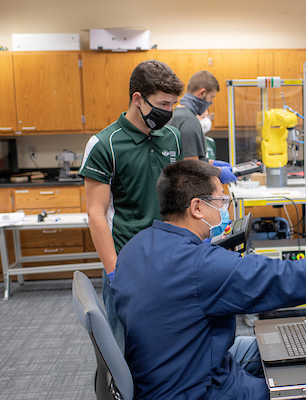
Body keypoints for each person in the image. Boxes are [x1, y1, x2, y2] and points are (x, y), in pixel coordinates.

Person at [111, 159, 306, 400]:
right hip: (195, 389)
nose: (225, 208)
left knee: (269, 347)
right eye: (221, 201)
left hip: (166, 369)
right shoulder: (201, 267)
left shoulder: (137, 245)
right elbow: (290, 278)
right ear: (197, 207)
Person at [78, 60, 185, 352]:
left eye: (173, 104)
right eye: (163, 103)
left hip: (170, 259)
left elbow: (178, 197)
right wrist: (114, 273)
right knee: (125, 348)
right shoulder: (105, 143)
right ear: (137, 98)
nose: (169, 112)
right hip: (127, 263)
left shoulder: (172, 137)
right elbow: (96, 213)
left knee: (170, 342)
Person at [169, 70, 237, 183]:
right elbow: (191, 166)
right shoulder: (190, 121)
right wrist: (218, 171)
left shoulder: (177, 114)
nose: (211, 102)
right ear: (201, 93)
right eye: (211, 97)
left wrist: (209, 162)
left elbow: (182, 157)